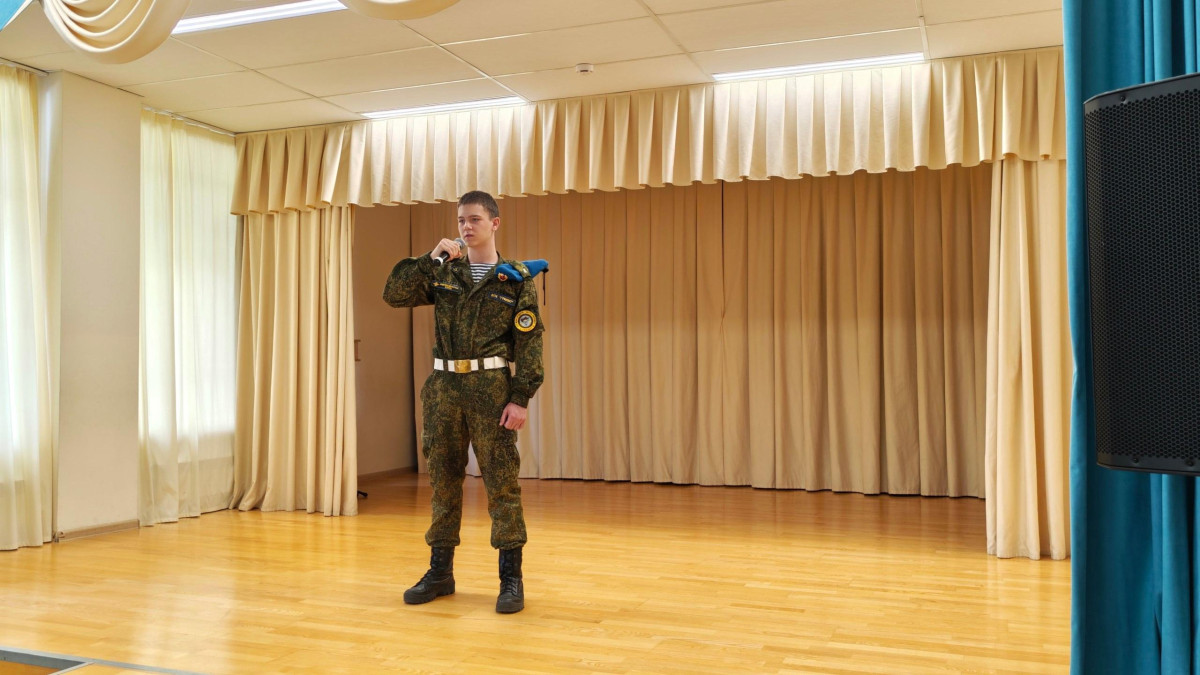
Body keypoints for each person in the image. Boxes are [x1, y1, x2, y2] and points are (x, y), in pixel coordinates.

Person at [382, 190, 545, 614]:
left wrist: (520, 397)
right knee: (443, 482)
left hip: (491, 388)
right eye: (460, 220)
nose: (466, 227)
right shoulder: (444, 273)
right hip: (444, 389)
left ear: (494, 223)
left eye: (474, 219)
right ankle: (440, 572)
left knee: (502, 484)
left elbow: (529, 343)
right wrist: (429, 258)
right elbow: (394, 293)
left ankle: (511, 579)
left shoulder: (515, 280)